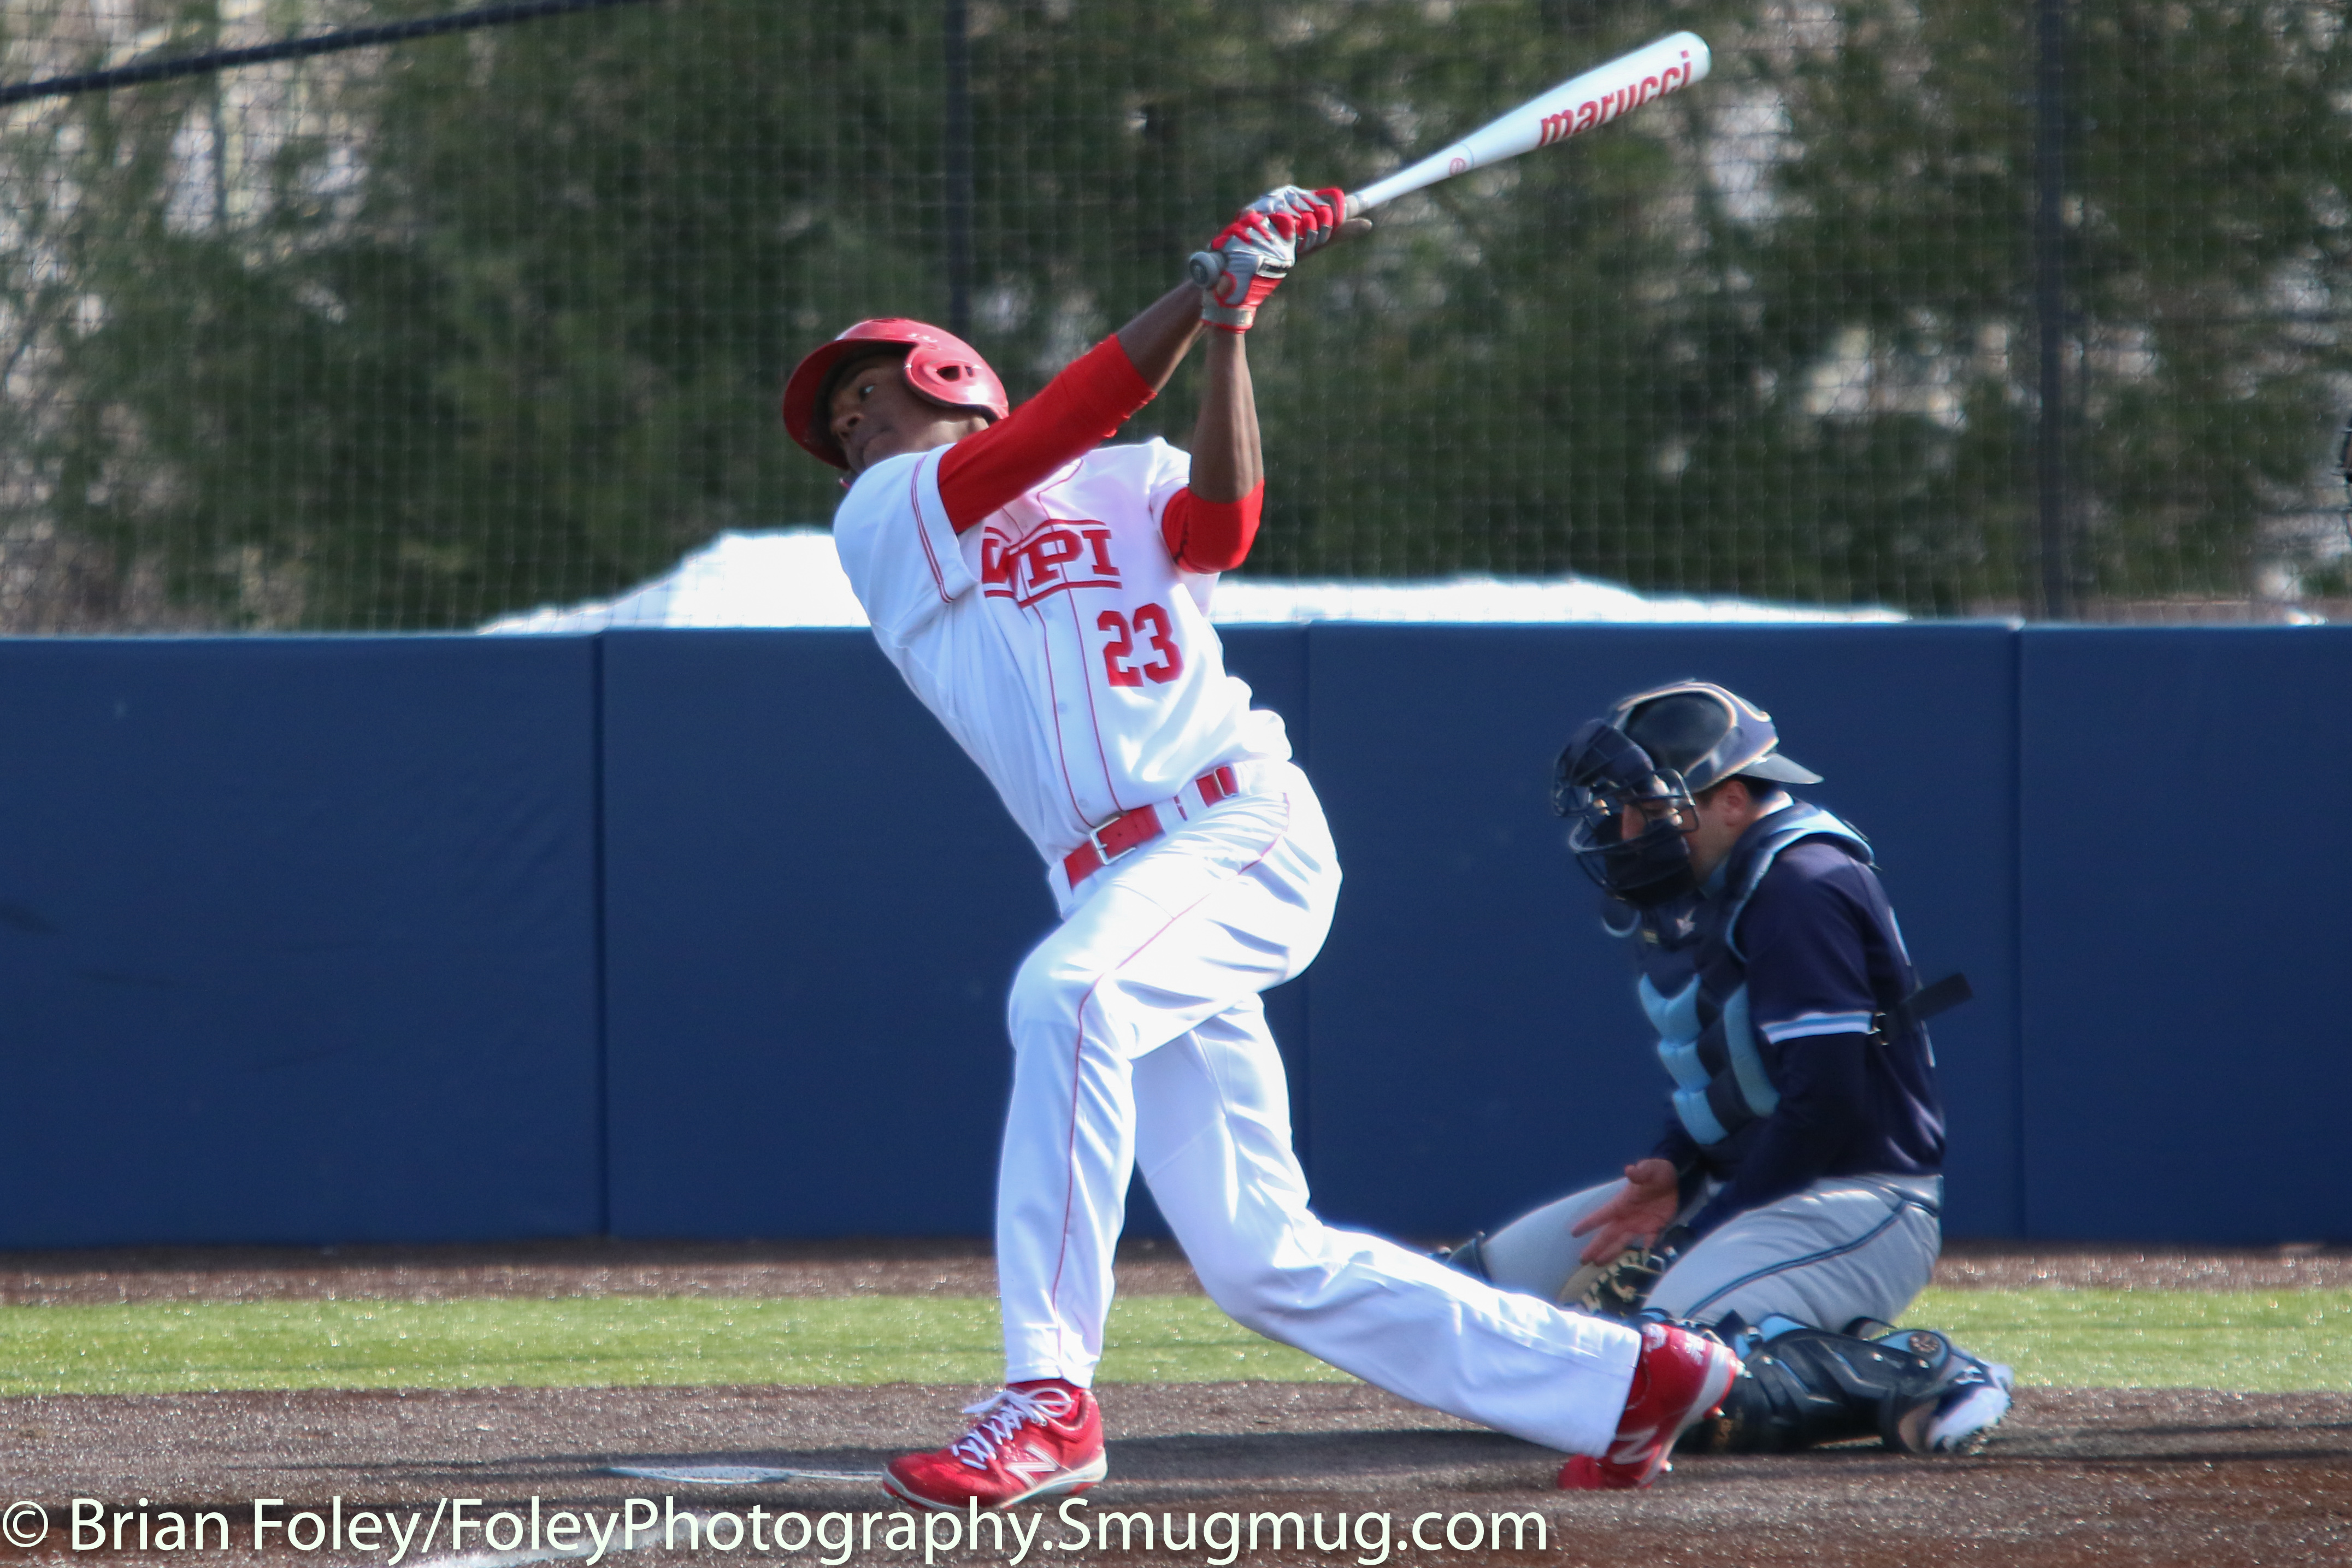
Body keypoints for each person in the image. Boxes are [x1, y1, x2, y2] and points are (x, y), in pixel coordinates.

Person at [776, 190, 1741, 1511]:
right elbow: (1056, 423)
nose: (850, 426)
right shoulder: (887, 520)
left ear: (946, 378)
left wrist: (1228, 326)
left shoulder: (1123, 475)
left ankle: (1047, 1397)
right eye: (836, 424)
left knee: (1066, 996)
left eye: (864, 395)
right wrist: (1203, 291)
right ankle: (1625, 1382)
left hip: (1231, 821)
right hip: (1115, 879)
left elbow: (1218, 528)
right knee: (1257, 1258)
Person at [1437, 681, 2012, 1455]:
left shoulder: (1803, 884)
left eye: (1647, 806)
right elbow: (1730, 1067)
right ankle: (1775, 1334)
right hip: (1755, 1184)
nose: (1627, 828)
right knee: (1455, 1309)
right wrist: (1676, 1167)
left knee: (1655, 1375)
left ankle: (1921, 1374)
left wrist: (1693, 1235)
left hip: (1855, 1197)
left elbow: (1826, 1102)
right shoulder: (1718, 882)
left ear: (1732, 800)